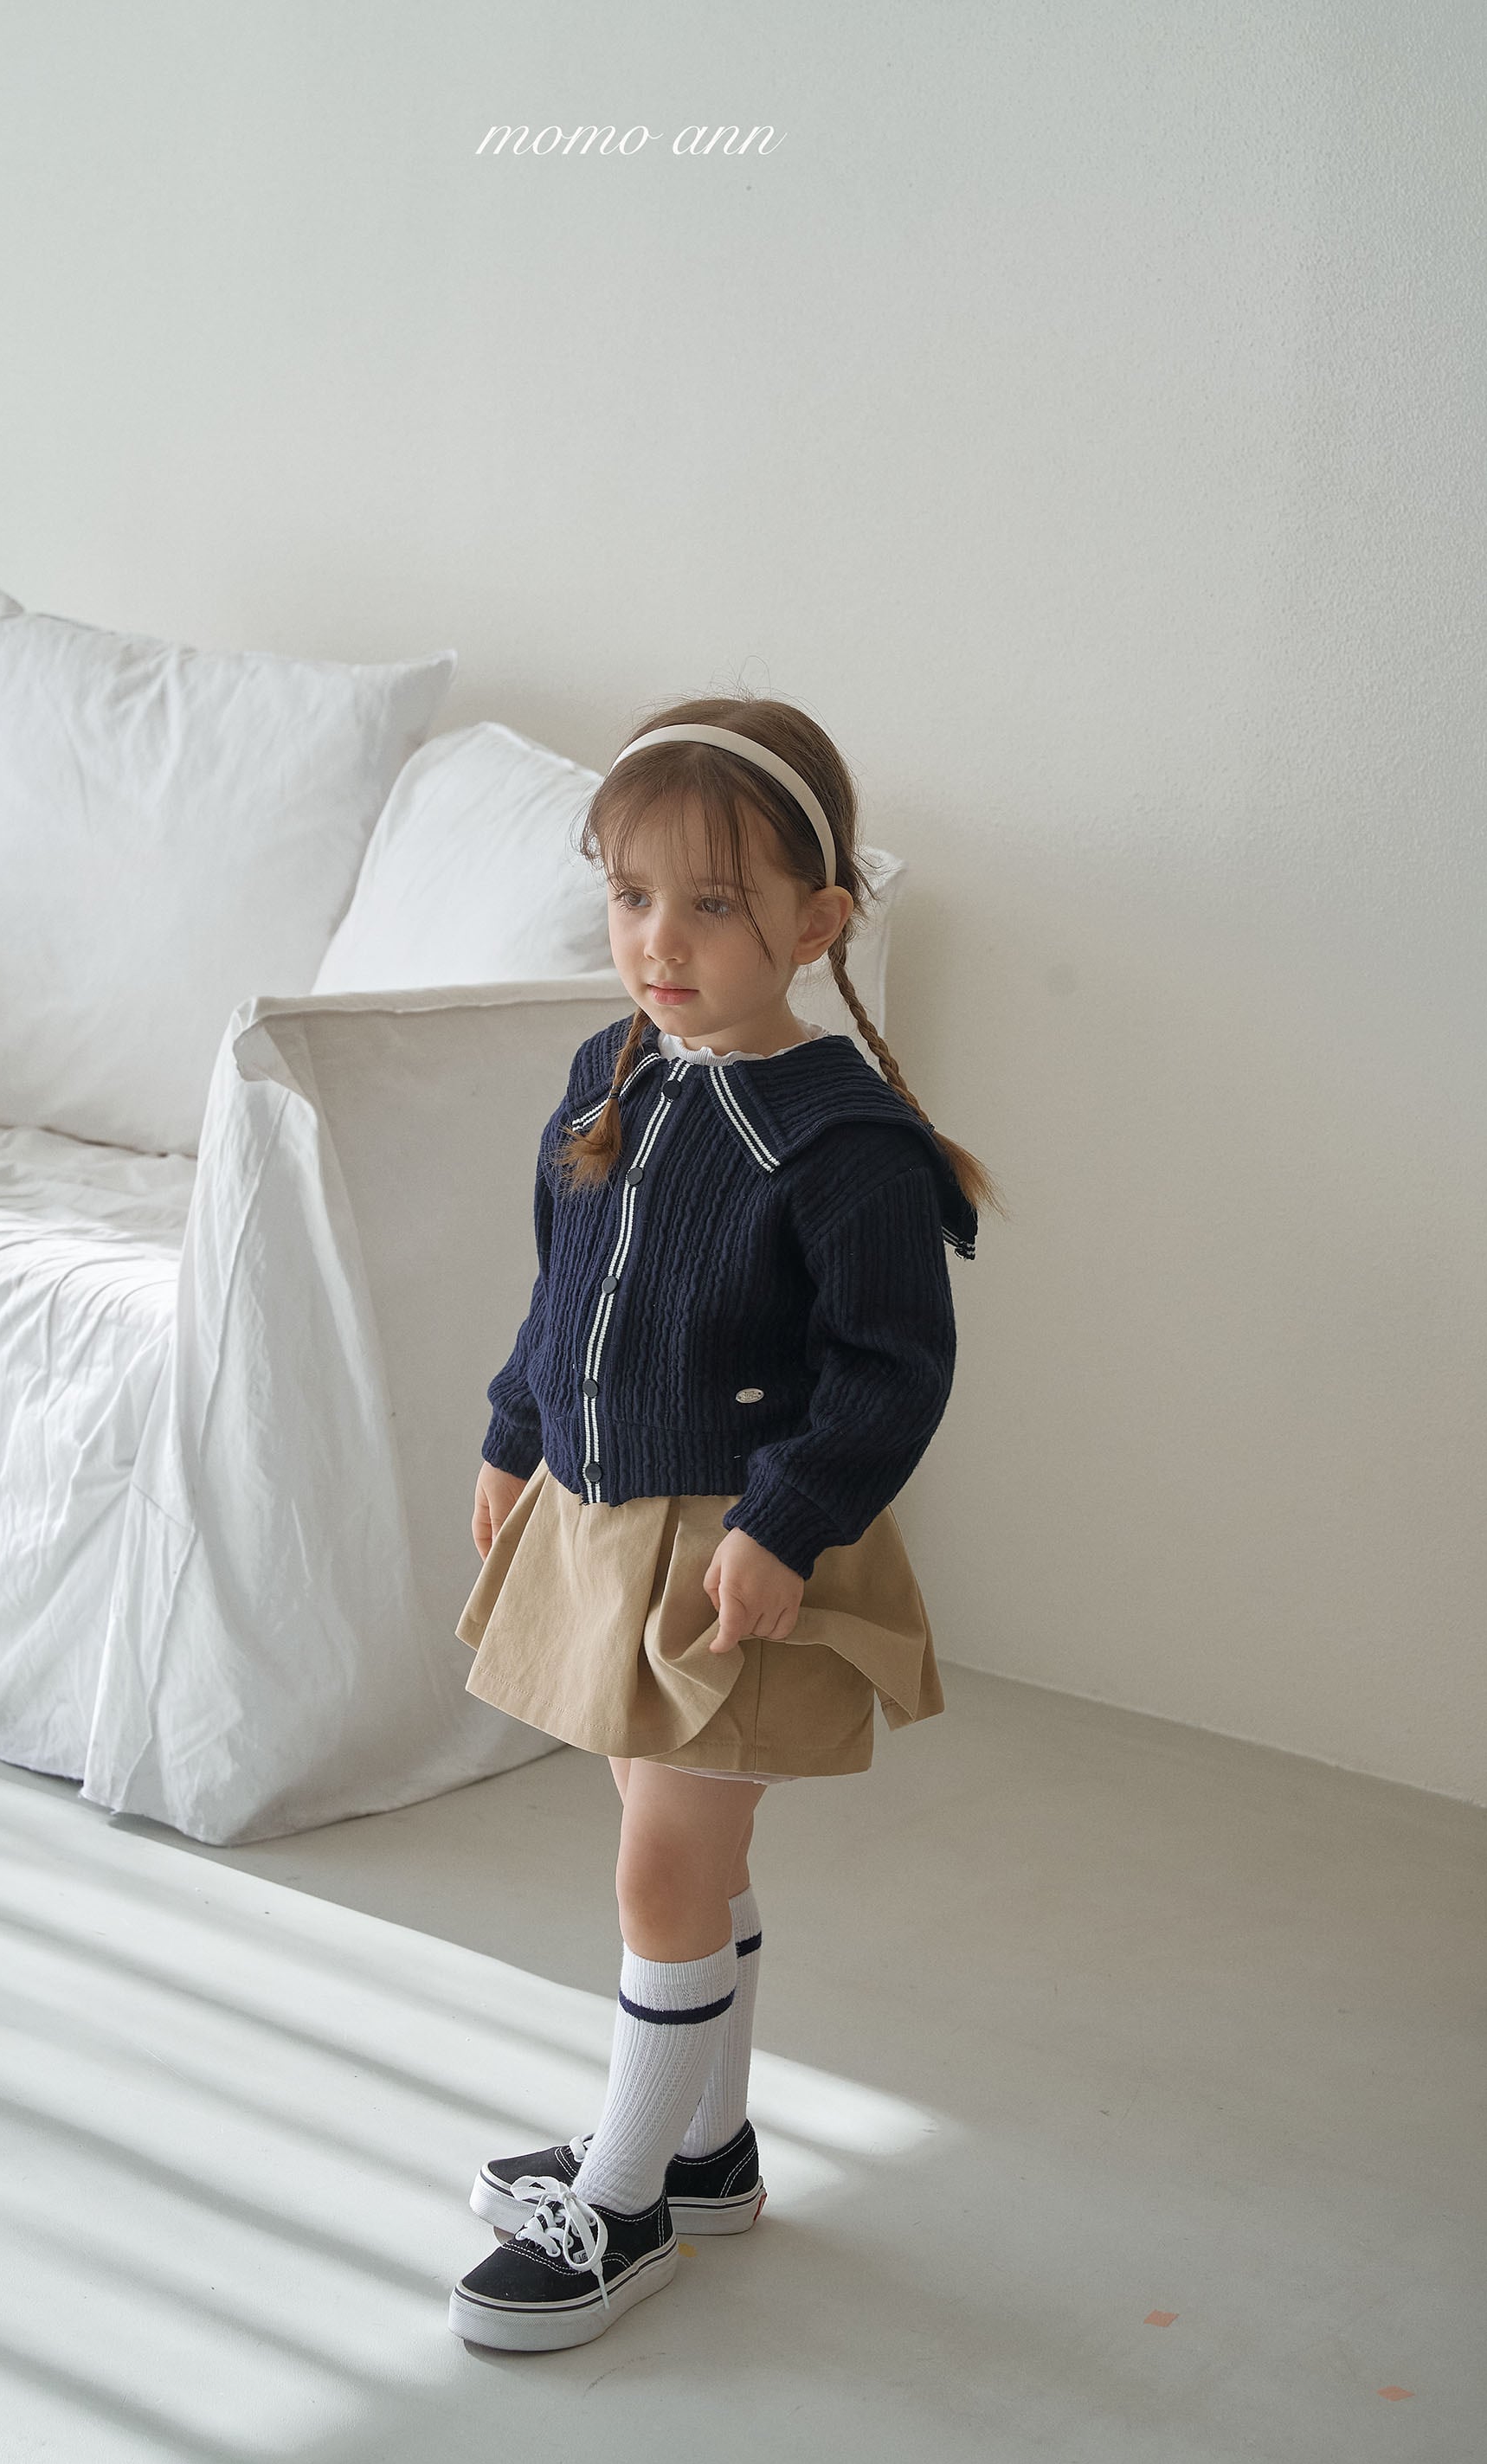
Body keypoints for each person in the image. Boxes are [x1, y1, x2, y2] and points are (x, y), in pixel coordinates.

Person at [446, 697, 1001, 2352]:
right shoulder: (608, 1070)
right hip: (607, 1520)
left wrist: (786, 1523)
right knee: (682, 1839)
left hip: (739, 1551)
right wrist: (514, 1432)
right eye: (631, 897)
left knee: (664, 1863)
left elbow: (893, 1371)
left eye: (711, 904)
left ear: (816, 924)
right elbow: (563, 1288)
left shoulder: (843, 1142)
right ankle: (707, 2152)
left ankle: (620, 2204)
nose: (659, 942)